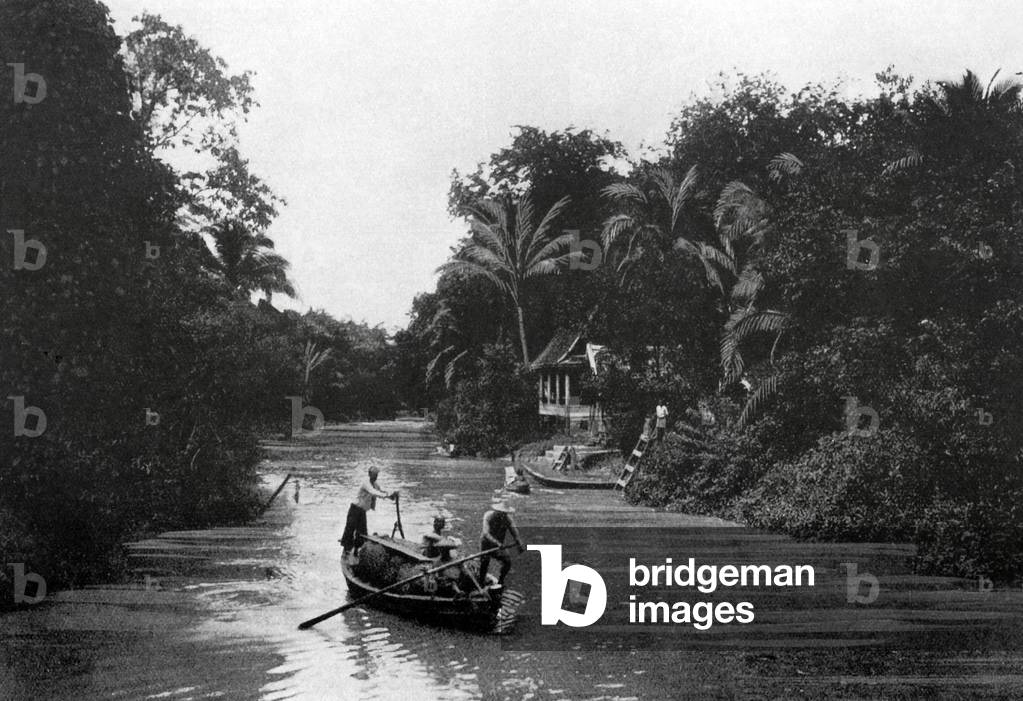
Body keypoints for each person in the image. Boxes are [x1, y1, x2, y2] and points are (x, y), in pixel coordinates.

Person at [341, 466, 397, 561]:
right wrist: (387, 495)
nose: (375, 477)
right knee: (350, 529)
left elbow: (381, 491)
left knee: (362, 532)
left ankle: (357, 551)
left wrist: (391, 495)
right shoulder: (366, 483)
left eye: (376, 475)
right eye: (374, 475)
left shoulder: (375, 484)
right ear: (369, 474)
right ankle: (346, 551)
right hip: (355, 509)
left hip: (362, 511)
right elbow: (373, 492)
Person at [478, 501, 525, 586]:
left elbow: (514, 532)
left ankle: (501, 581)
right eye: (501, 513)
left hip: (499, 545)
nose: (503, 515)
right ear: (497, 511)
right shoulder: (488, 516)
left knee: (507, 562)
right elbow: (486, 533)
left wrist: (519, 543)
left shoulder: (507, 519)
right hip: (487, 543)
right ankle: (481, 582)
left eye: (505, 513)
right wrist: (497, 543)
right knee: (485, 562)